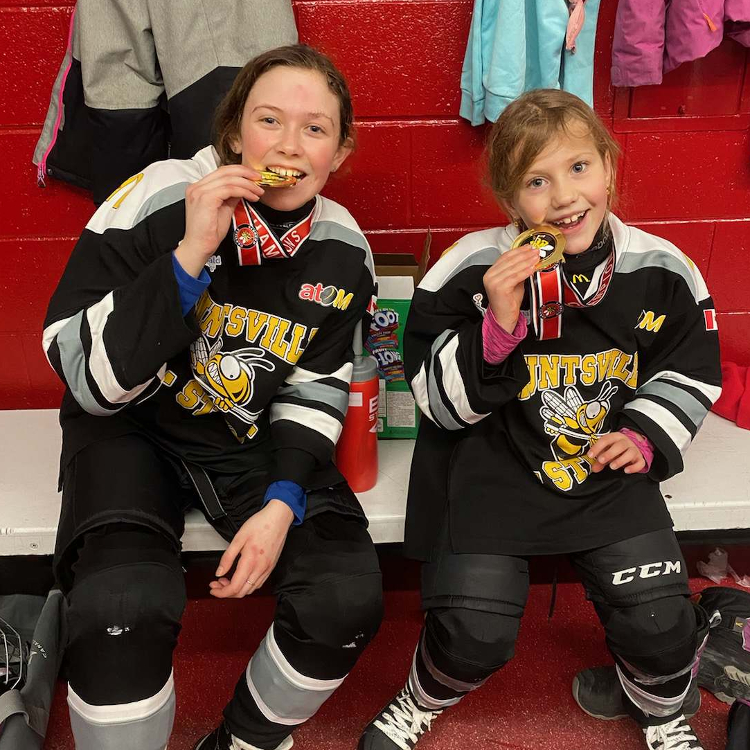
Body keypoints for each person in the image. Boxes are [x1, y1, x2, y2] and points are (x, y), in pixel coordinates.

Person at [42, 44, 383, 750]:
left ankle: (240, 742)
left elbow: (316, 384)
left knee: (344, 598)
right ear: (233, 133)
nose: (289, 145)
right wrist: (189, 254)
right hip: (130, 426)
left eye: (315, 129)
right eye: (269, 120)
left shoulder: (344, 246)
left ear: (339, 152)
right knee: (119, 607)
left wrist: (283, 502)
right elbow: (91, 383)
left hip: (243, 433)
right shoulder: (159, 194)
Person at [358, 89, 721, 750]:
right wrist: (497, 325)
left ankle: (661, 712)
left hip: (602, 466)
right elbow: (435, 404)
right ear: (510, 199)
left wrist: (643, 434)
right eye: (536, 181)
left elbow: (690, 369)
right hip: (492, 467)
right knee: (473, 633)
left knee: (662, 626)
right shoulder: (469, 267)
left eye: (579, 167)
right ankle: (418, 700)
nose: (563, 197)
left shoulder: (664, 269)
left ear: (609, 166)